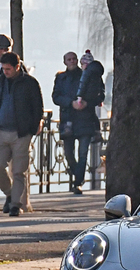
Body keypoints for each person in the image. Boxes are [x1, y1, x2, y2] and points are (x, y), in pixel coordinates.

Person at [0, 52, 44, 216]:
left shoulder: (30, 83)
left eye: (8, 69)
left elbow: (38, 107)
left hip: (21, 134)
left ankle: (15, 204)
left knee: (18, 171)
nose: (5, 72)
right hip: (0, 132)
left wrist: (34, 126)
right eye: (3, 68)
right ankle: (10, 195)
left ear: (17, 67)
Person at [52, 50, 105, 195]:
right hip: (68, 120)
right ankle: (77, 175)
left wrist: (86, 103)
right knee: (68, 154)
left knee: (83, 154)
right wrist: (71, 103)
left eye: (74, 59)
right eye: (69, 59)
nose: (72, 61)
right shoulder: (61, 78)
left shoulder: (88, 75)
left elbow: (99, 95)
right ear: (65, 62)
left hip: (85, 119)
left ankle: (78, 183)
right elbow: (56, 97)